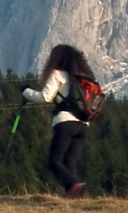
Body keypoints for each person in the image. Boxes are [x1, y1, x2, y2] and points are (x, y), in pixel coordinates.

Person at [23, 44, 99, 198]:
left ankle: (74, 186)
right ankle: (73, 194)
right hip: (83, 124)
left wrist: (26, 92)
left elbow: (45, 97)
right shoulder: (82, 79)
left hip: (65, 122)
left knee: (55, 161)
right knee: (69, 162)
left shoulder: (57, 74)